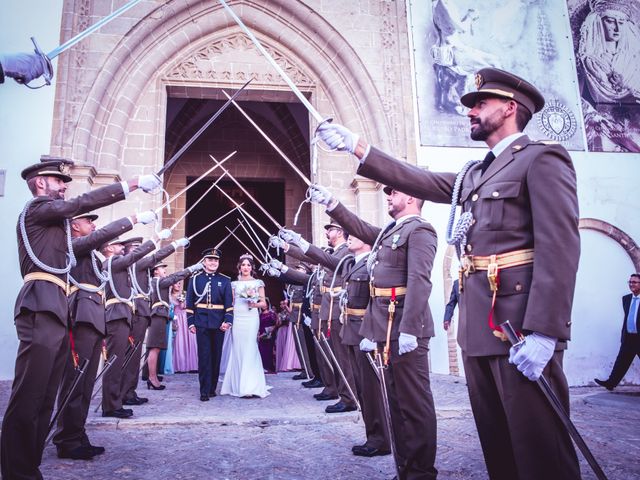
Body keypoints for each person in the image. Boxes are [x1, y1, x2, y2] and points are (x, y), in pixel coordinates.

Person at [317, 66, 582, 479]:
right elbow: (417, 178)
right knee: (500, 447)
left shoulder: (541, 158)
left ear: (511, 108)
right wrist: (357, 146)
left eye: (481, 103)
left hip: (520, 329)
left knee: (540, 450)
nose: (470, 112)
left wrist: (546, 332)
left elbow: (560, 247)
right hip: (478, 330)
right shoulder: (474, 174)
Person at [0, 156, 161, 480]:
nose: (64, 186)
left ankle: (28, 467)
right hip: (40, 305)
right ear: (41, 183)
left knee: (46, 397)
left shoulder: (57, 228)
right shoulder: (37, 210)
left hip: (57, 308)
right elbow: (81, 215)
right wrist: (129, 186)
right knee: (29, 395)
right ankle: (16, 471)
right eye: (59, 181)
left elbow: (88, 240)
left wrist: (133, 221)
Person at [310, 185, 438, 478]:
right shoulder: (390, 233)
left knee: (414, 405)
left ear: (411, 198)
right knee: (394, 402)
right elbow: (374, 288)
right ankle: (406, 468)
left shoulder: (419, 231)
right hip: (385, 329)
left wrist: (410, 330)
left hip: (406, 328)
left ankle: (421, 471)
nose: (389, 197)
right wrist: (332, 203)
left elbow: (419, 281)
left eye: (394, 192)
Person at [53, 210, 154, 460]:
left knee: (85, 383)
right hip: (81, 318)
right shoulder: (75, 245)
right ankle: (66, 438)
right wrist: (132, 218)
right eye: (88, 221)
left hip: (94, 320)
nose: (93, 225)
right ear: (74, 226)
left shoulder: (93, 257)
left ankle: (77, 433)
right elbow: (104, 240)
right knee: (75, 381)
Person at [121, 236, 187, 406]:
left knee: (136, 355)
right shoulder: (143, 270)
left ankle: (129, 391)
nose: (164, 270)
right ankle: (142, 382)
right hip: (142, 313)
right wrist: (174, 244)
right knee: (148, 350)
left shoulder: (143, 273)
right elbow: (156, 259)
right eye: (136, 247)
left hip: (144, 313)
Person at [100, 235, 159, 418]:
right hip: (116, 315)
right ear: (109, 248)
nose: (123, 248)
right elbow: (144, 258)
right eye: (119, 245)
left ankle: (119, 398)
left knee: (123, 361)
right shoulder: (112, 263)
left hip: (124, 314)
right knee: (115, 362)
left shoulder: (120, 265)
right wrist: (160, 241)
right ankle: (111, 404)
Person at [185, 247, 233, 401]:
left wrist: (228, 321)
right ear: (204, 262)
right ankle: (204, 390)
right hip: (201, 322)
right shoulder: (195, 279)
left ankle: (212, 388)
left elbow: (229, 304)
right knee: (204, 356)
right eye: (210, 260)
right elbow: (190, 303)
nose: (213, 262)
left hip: (219, 323)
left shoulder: (225, 280)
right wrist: (191, 322)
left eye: (216, 260)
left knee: (216, 356)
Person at [220, 254, 271, 398]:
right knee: (238, 348)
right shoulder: (234, 284)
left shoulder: (258, 283)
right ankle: (237, 384)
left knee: (250, 347)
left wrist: (253, 303)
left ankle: (250, 385)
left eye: (248, 265)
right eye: (243, 265)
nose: (246, 267)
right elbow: (231, 303)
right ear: (239, 267)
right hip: (238, 317)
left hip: (251, 317)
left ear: (252, 267)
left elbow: (264, 304)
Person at [146, 262, 202, 389]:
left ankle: (152, 376)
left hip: (160, 315)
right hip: (158, 315)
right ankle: (152, 378)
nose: (165, 271)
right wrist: (192, 268)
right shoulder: (158, 281)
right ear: (155, 271)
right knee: (154, 348)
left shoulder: (157, 282)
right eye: (162, 269)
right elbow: (175, 277)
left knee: (156, 347)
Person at [595, 273, 640, 390]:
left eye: (634, 282)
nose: (631, 284)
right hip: (629, 337)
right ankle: (611, 383)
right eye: (630, 282)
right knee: (621, 362)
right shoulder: (626, 299)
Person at [171, 281, 199, 373]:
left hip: (186, 318)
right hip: (176, 319)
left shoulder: (184, 294)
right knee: (179, 341)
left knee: (190, 340)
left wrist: (183, 301)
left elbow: (187, 307)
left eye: (179, 284)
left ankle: (193, 366)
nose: (178, 285)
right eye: (176, 284)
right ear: (172, 285)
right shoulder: (169, 296)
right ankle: (180, 366)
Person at [275, 299, 301, 372]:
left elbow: (291, 317)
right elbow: (278, 324)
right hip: (282, 330)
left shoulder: (289, 311)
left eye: (283, 304)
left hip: (288, 328)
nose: (282, 305)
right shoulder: (280, 314)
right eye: (281, 304)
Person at [258, 301, 277, 373]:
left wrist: (268, 332)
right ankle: (263, 367)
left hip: (269, 335)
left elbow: (275, 324)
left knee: (269, 352)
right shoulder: (260, 315)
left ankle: (270, 368)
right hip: (261, 336)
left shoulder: (271, 314)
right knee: (262, 352)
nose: (263, 306)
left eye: (265, 304)